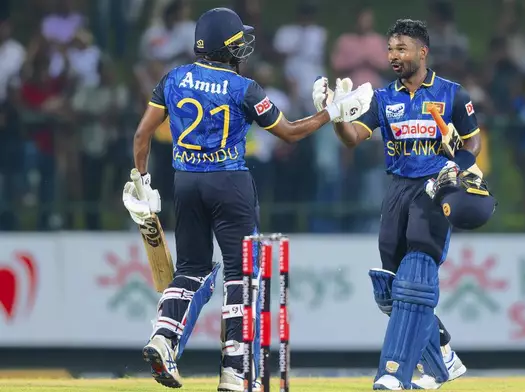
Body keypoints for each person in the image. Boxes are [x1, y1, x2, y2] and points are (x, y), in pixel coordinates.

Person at [122, 7, 373, 391]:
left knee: (191, 269)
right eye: (239, 39)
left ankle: (164, 337)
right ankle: (234, 371)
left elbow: (142, 136)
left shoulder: (173, 78)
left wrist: (141, 182)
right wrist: (331, 113)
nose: (244, 45)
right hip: (231, 186)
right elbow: (288, 133)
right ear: (227, 46)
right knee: (242, 279)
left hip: (185, 183)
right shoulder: (244, 87)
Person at [313, 19, 483, 390]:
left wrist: (457, 167)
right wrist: (337, 116)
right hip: (396, 192)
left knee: (415, 280)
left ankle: (396, 373)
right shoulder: (384, 97)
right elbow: (354, 138)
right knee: (391, 290)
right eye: (390, 49)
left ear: (423, 52)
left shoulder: (452, 94)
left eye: (401, 49)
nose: (394, 56)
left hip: (435, 190)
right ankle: (445, 358)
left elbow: (472, 142)